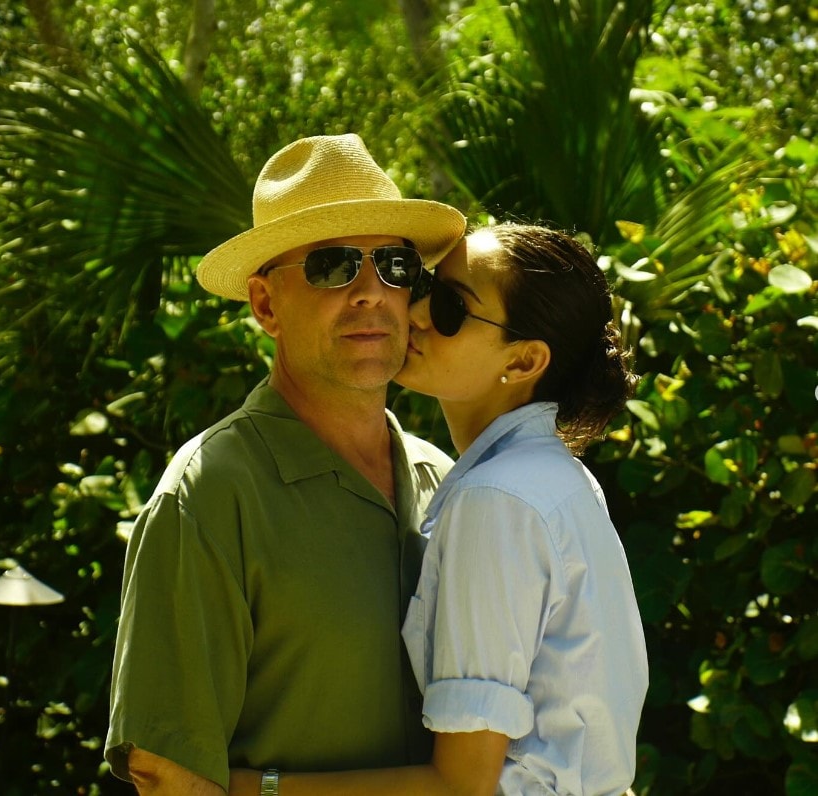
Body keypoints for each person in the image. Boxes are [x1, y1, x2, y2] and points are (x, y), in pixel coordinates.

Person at [229, 223, 648, 795]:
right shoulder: (559, 480)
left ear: (524, 361)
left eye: (452, 308)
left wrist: (250, 789)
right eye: (425, 286)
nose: (415, 312)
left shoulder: (496, 500)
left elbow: (461, 785)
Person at [104, 133, 467, 794]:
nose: (371, 292)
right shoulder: (209, 494)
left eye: (394, 265)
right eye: (332, 266)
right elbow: (170, 775)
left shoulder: (445, 480)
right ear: (266, 305)